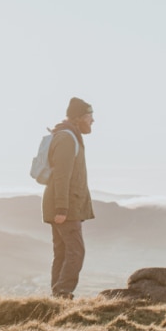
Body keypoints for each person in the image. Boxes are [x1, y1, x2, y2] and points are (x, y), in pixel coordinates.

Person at [42, 97, 95, 299]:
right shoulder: (66, 138)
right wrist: (62, 209)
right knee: (76, 252)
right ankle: (63, 293)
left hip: (67, 206)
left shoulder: (70, 136)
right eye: (90, 116)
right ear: (79, 117)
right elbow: (62, 176)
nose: (92, 121)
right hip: (65, 208)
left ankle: (57, 296)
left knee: (63, 253)